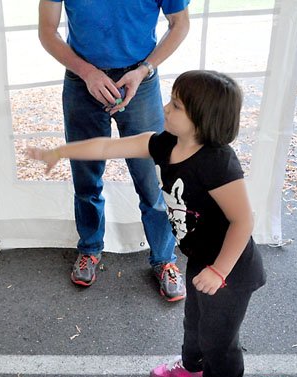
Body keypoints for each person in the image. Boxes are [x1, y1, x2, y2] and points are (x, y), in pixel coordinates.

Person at [28, 70, 266, 377]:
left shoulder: (218, 162)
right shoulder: (165, 143)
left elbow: (243, 221)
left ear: (203, 119)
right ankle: (193, 368)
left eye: (176, 105)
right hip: (202, 258)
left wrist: (219, 271)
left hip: (231, 270)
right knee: (195, 323)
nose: (166, 109)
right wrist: (59, 152)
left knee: (219, 339)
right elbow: (108, 147)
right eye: (171, 101)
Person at [38, 0, 190, 298]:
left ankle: (164, 259)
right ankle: (90, 248)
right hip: (82, 83)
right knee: (86, 177)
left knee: (153, 180)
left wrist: (144, 70)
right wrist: (87, 73)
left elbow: (179, 24)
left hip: (140, 81)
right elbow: (47, 30)